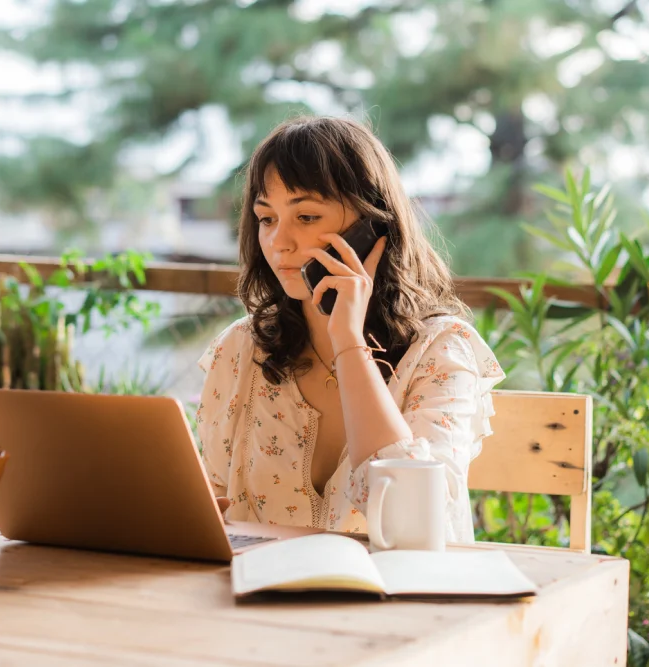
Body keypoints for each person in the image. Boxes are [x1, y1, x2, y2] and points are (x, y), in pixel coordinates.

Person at [194, 115, 505, 543]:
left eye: (305, 216)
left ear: (372, 227)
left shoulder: (441, 351)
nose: (279, 242)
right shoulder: (241, 348)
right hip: (259, 600)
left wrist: (349, 342)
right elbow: (211, 503)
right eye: (267, 219)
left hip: (397, 602)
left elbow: (412, 524)